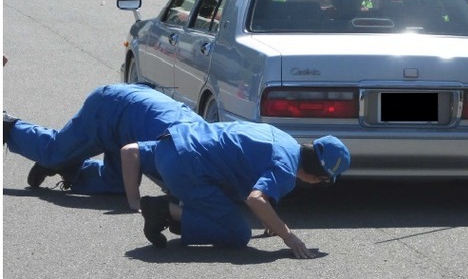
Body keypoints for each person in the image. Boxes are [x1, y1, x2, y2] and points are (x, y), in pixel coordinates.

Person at [121, 123, 350, 259]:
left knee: (226, 204)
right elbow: (256, 200)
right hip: (185, 168)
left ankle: (186, 212)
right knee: (238, 234)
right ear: (317, 175)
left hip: (173, 142)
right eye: (324, 181)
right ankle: (165, 209)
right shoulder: (286, 170)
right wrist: (289, 237)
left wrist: (269, 215)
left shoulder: (286, 141)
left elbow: (248, 167)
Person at [3, 83, 197, 207]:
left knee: (118, 184)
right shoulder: (178, 150)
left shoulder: (208, 143)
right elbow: (135, 154)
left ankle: (70, 168)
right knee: (54, 152)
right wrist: (136, 203)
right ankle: (7, 125)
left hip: (136, 114)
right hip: (111, 108)